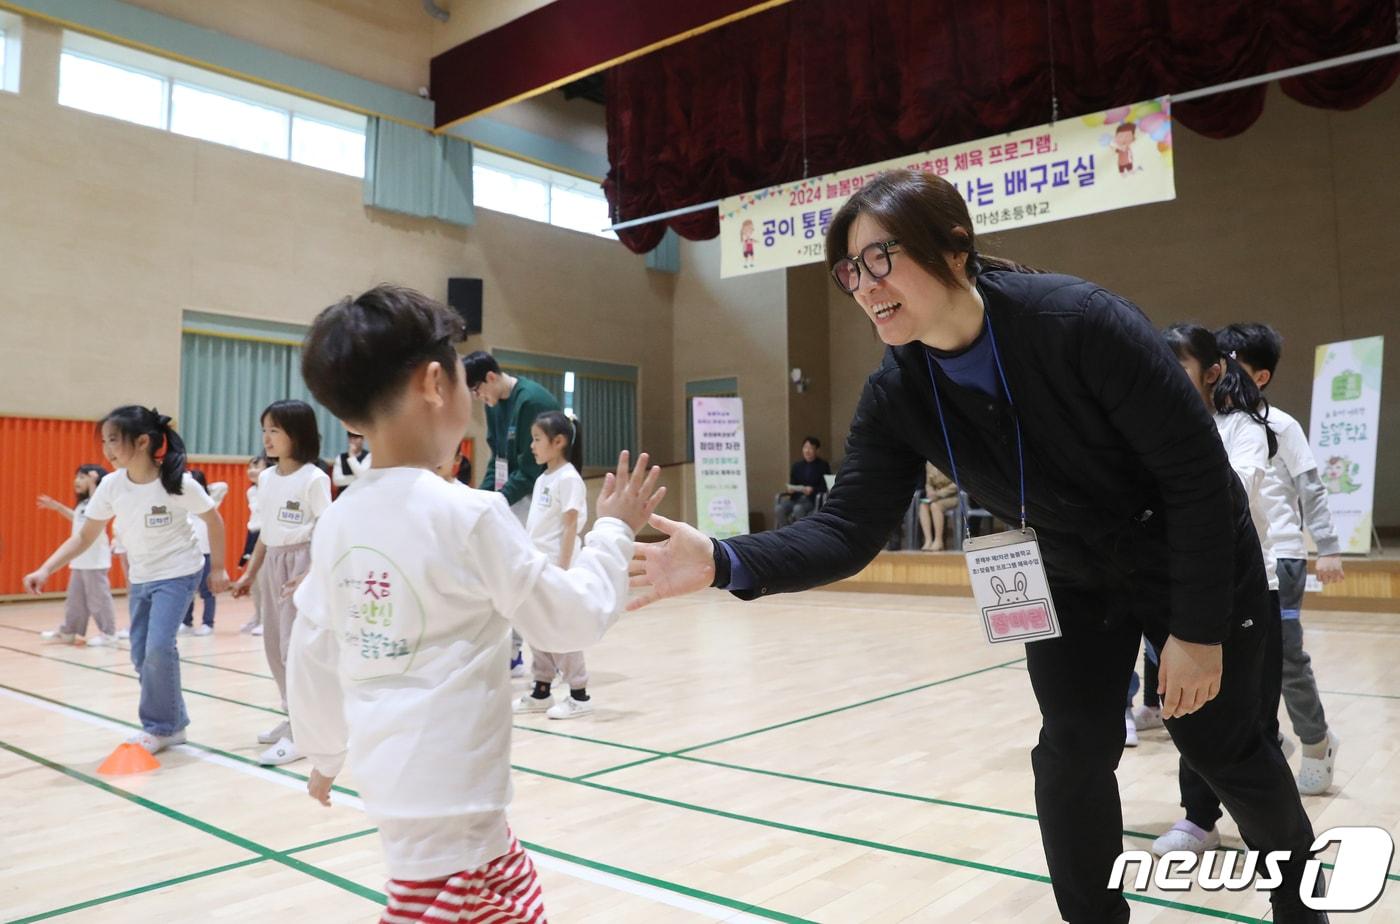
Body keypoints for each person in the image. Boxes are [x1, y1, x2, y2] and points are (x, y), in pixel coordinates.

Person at [626, 169, 1324, 923]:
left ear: (955, 251)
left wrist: (1195, 630)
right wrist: (725, 560)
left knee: (1222, 745)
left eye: (880, 258)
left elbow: (1194, 477)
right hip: (1067, 571)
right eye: (850, 270)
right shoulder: (899, 391)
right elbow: (847, 527)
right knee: (1070, 755)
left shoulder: (1079, 322)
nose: (863, 285)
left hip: (1186, 553)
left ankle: (1301, 905)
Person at [289, 284, 663, 924]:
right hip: (457, 798)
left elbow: (313, 651)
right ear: (437, 382)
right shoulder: (468, 513)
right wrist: (616, 531)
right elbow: (570, 615)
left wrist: (324, 755)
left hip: (390, 786)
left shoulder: (338, 520)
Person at [24, 406, 226, 754]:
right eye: (104, 441)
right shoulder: (112, 486)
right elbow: (84, 536)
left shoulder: (177, 482)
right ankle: (174, 723)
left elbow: (214, 521)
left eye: (114, 440)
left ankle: (160, 727)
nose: (107, 449)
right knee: (140, 656)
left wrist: (219, 568)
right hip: (142, 576)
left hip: (178, 572)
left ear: (143, 441)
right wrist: (45, 568)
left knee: (159, 647)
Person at [1154, 323, 1285, 856]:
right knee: (1190, 709)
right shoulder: (1151, 431)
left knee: (1256, 714)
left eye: (1176, 369)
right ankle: (1198, 818)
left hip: (1252, 588)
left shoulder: (1242, 429)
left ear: (1211, 374)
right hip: (1186, 592)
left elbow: (1235, 489)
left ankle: (1269, 828)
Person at [1216, 323, 1344, 795]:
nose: (1221, 370)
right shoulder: (1216, 422)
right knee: (1242, 664)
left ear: (1261, 376)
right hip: (1236, 558)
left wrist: (1327, 548)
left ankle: (1316, 741)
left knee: (1287, 657)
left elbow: (1311, 487)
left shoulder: (1280, 424)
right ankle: (1267, 738)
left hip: (1283, 557)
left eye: (1234, 360)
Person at [231, 399, 331, 766]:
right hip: (274, 561)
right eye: (265, 430)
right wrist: (249, 573)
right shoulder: (268, 478)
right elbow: (265, 533)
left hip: (303, 561)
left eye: (275, 430)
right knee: (274, 647)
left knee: (295, 649)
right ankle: (293, 717)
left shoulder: (314, 478)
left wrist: (310, 572)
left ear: (298, 434)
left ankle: (306, 731)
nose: (267, 439)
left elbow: (328, 528)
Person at [463, 351, 562, 677]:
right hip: (513, 496)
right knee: (498, 573)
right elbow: (498, 459)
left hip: (537, 497)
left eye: (478, 391)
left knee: (518, 576)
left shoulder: (530, 401)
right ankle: (511, 651)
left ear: (491, 377)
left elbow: (530, 467)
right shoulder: (495, 405)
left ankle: (527, 653)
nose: (480, 398)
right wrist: (482, 497)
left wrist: (497, 503)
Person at [514, 411, 595, 720]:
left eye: (537, 439)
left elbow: (570, 525)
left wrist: (562, 569)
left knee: (562, 630)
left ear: (558, 441)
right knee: (537, 627)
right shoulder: (544, 477)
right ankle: (542, 689)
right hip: (538, 565)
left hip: (558, 568)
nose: (532, 446)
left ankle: (579, 694)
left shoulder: (569, 478)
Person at [36, 464, 118, 646]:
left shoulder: (99, 502)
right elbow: (78, 519)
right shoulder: (83, 505)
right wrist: (57, 507)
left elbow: (98, 500)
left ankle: (109, 634)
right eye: (77, 477)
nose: (76, 481)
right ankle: (69, 631)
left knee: (99, 599)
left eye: (82, 477)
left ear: (94, 480)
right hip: (80, 560)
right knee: (75, 601)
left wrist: (95, 482)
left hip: (95, 561)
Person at [179, 469, 228, 637]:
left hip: (207, 553)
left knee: (208, 591)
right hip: (189, 553)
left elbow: (223, 486)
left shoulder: (209, 501)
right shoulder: (182, 503)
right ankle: (186, 622)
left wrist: (200, 486)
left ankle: (208, 623)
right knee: (187, 591)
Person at [240, 455, 270, 635]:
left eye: (256, 466)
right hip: (252, 535)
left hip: (265, 536)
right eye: (250, 466)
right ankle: (257, 616)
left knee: (264, 581)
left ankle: (267, 621)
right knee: (253, 583)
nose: (251, 470)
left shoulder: (271, 489)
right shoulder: (251, 491)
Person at [775, 436, 832, 528]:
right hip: (796, 498)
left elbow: (825, 487)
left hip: (811, 500)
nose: (807, 451)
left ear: (817, 450)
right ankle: (786, 533)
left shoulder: (823, 465)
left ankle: (801, 536)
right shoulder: (797, 466)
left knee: (798, 509)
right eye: (805, 447)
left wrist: (812, 489)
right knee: (779, 508)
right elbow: (793, 483)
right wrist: (791, 490)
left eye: (810, 448)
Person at [918, 462, 958, 551]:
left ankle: (938, 540)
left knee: (935, 506)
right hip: (935, 496)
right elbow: (928, 483)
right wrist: (930, 492)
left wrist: (938, 494)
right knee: (923, 505)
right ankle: (928, 540)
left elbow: (956, 484)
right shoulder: (929, 463)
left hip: (952, 496)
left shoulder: (952, 462)